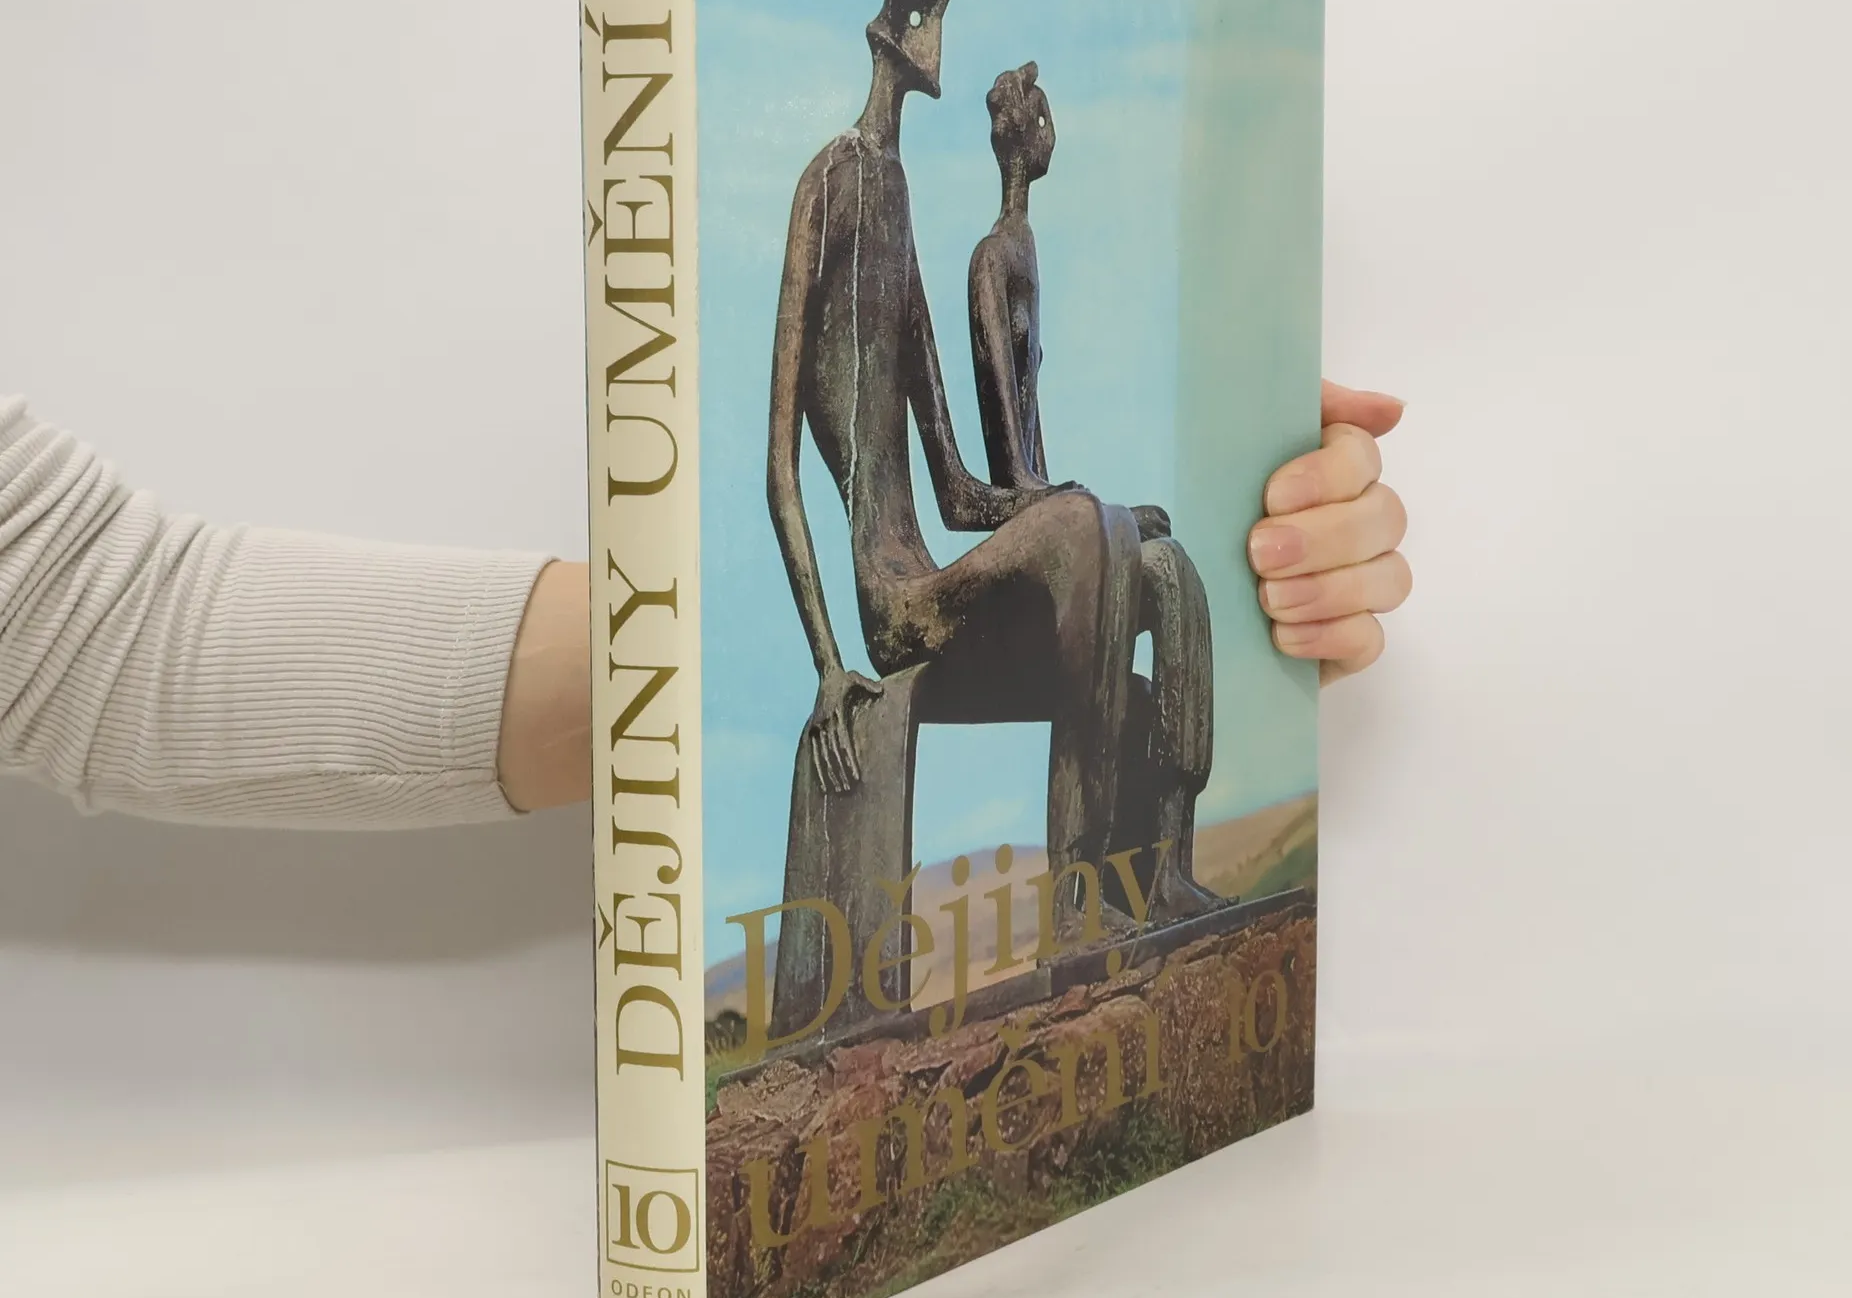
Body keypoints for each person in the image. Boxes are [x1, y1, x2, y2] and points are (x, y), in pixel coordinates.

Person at [0, 382, 1406, 831]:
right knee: (1096, 540)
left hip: (912, 581)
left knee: (1139, 550)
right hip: (881, 602)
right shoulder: (840, 191)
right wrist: (819, 654)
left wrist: (1225, 513)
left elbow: (81, 623)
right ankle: (1095, 889)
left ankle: (1141, 865)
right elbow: (789, 465)